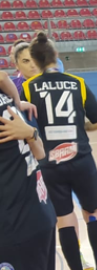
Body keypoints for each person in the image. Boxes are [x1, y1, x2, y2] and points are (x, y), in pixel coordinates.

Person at [22, 32, 97, 270]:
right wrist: (80, 128)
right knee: (93, 214)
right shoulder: (76, 82)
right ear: (56, 55)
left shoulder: (28, 88)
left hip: (50, 163)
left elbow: (25, 126)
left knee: (64, 219)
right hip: (81, 159)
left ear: (35, 60)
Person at [0, 74, 57, 270]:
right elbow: (40, 152)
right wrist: (17, 102)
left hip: (13, 227)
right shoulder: (7, 99)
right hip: (40, 213)